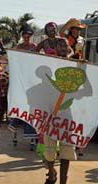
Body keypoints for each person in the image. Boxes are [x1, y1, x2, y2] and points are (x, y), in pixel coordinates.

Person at [43, 37, 77, 184]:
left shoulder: (75, 65)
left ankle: (63, 181)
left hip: (68, 112)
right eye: (60, 45)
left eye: (66, 45)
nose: (63, 47)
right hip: (51, 111)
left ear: (68, 48)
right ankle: (51, 174)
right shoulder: (49, 64)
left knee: (67, 149)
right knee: (50, 149)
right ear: (55, 48)